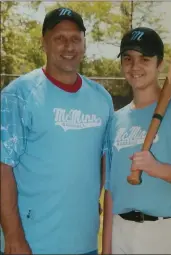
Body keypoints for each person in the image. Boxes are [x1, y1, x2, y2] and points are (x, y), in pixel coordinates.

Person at [0, 7, 114, 255]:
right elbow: (3, 168)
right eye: (59, 38)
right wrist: (13, 236)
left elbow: (104, 157)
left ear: (84, 44)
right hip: (33, 243)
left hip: (84, 242)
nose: (68, 46)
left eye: (75, 39)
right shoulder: (18, 95)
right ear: (44, 43)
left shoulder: (101, 98)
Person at [102, 27, 171, 254]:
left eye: (145, 59)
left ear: (160, 64)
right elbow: (110, 190)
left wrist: (156, 168)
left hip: (164, 231)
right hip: (121, 233)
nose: (135, 66)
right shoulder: (116, 120)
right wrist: (106, 249)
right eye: (128, 58)